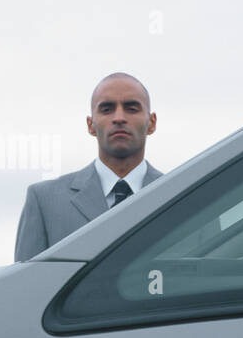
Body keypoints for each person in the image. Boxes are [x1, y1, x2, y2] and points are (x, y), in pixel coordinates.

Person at [15, 72, 162, 262]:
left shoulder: (182, 197)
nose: (119, 118)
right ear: (90, 125)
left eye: (131, 108)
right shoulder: (44, 202)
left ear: (151, 123)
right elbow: (27, 285)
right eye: (107, 109)